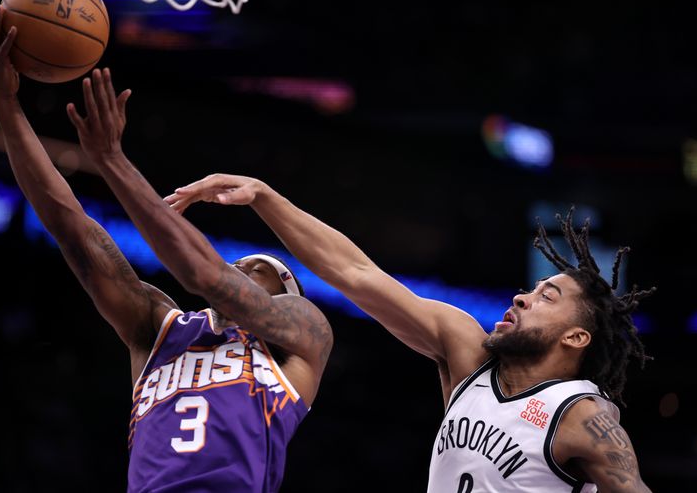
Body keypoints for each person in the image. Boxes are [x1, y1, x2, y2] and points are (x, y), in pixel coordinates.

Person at [0, 0, 332, 493]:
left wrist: (111, 161)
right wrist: (6, 107)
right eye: (242, 262)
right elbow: (73, 229)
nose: (243, 266)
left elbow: (207, 275)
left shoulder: (302, 334)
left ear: (287, 295)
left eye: (261, 271)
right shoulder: (159, 328)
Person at [164, 173, 656, 492]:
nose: (523, 297)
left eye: (547, 297)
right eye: (531, 288)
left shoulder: (581, 415)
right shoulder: (469, 354)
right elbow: (355, 273)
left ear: (575, 338)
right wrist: (265, 197)